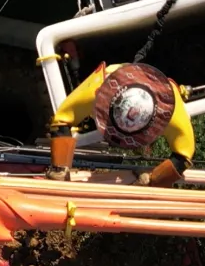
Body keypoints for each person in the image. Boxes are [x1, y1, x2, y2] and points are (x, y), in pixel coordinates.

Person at [47, 62, 195, 186]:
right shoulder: (97, 88)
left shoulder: (171, 107)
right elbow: (62, 118)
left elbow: (184, 155)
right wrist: (60, 167)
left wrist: (154, 180)